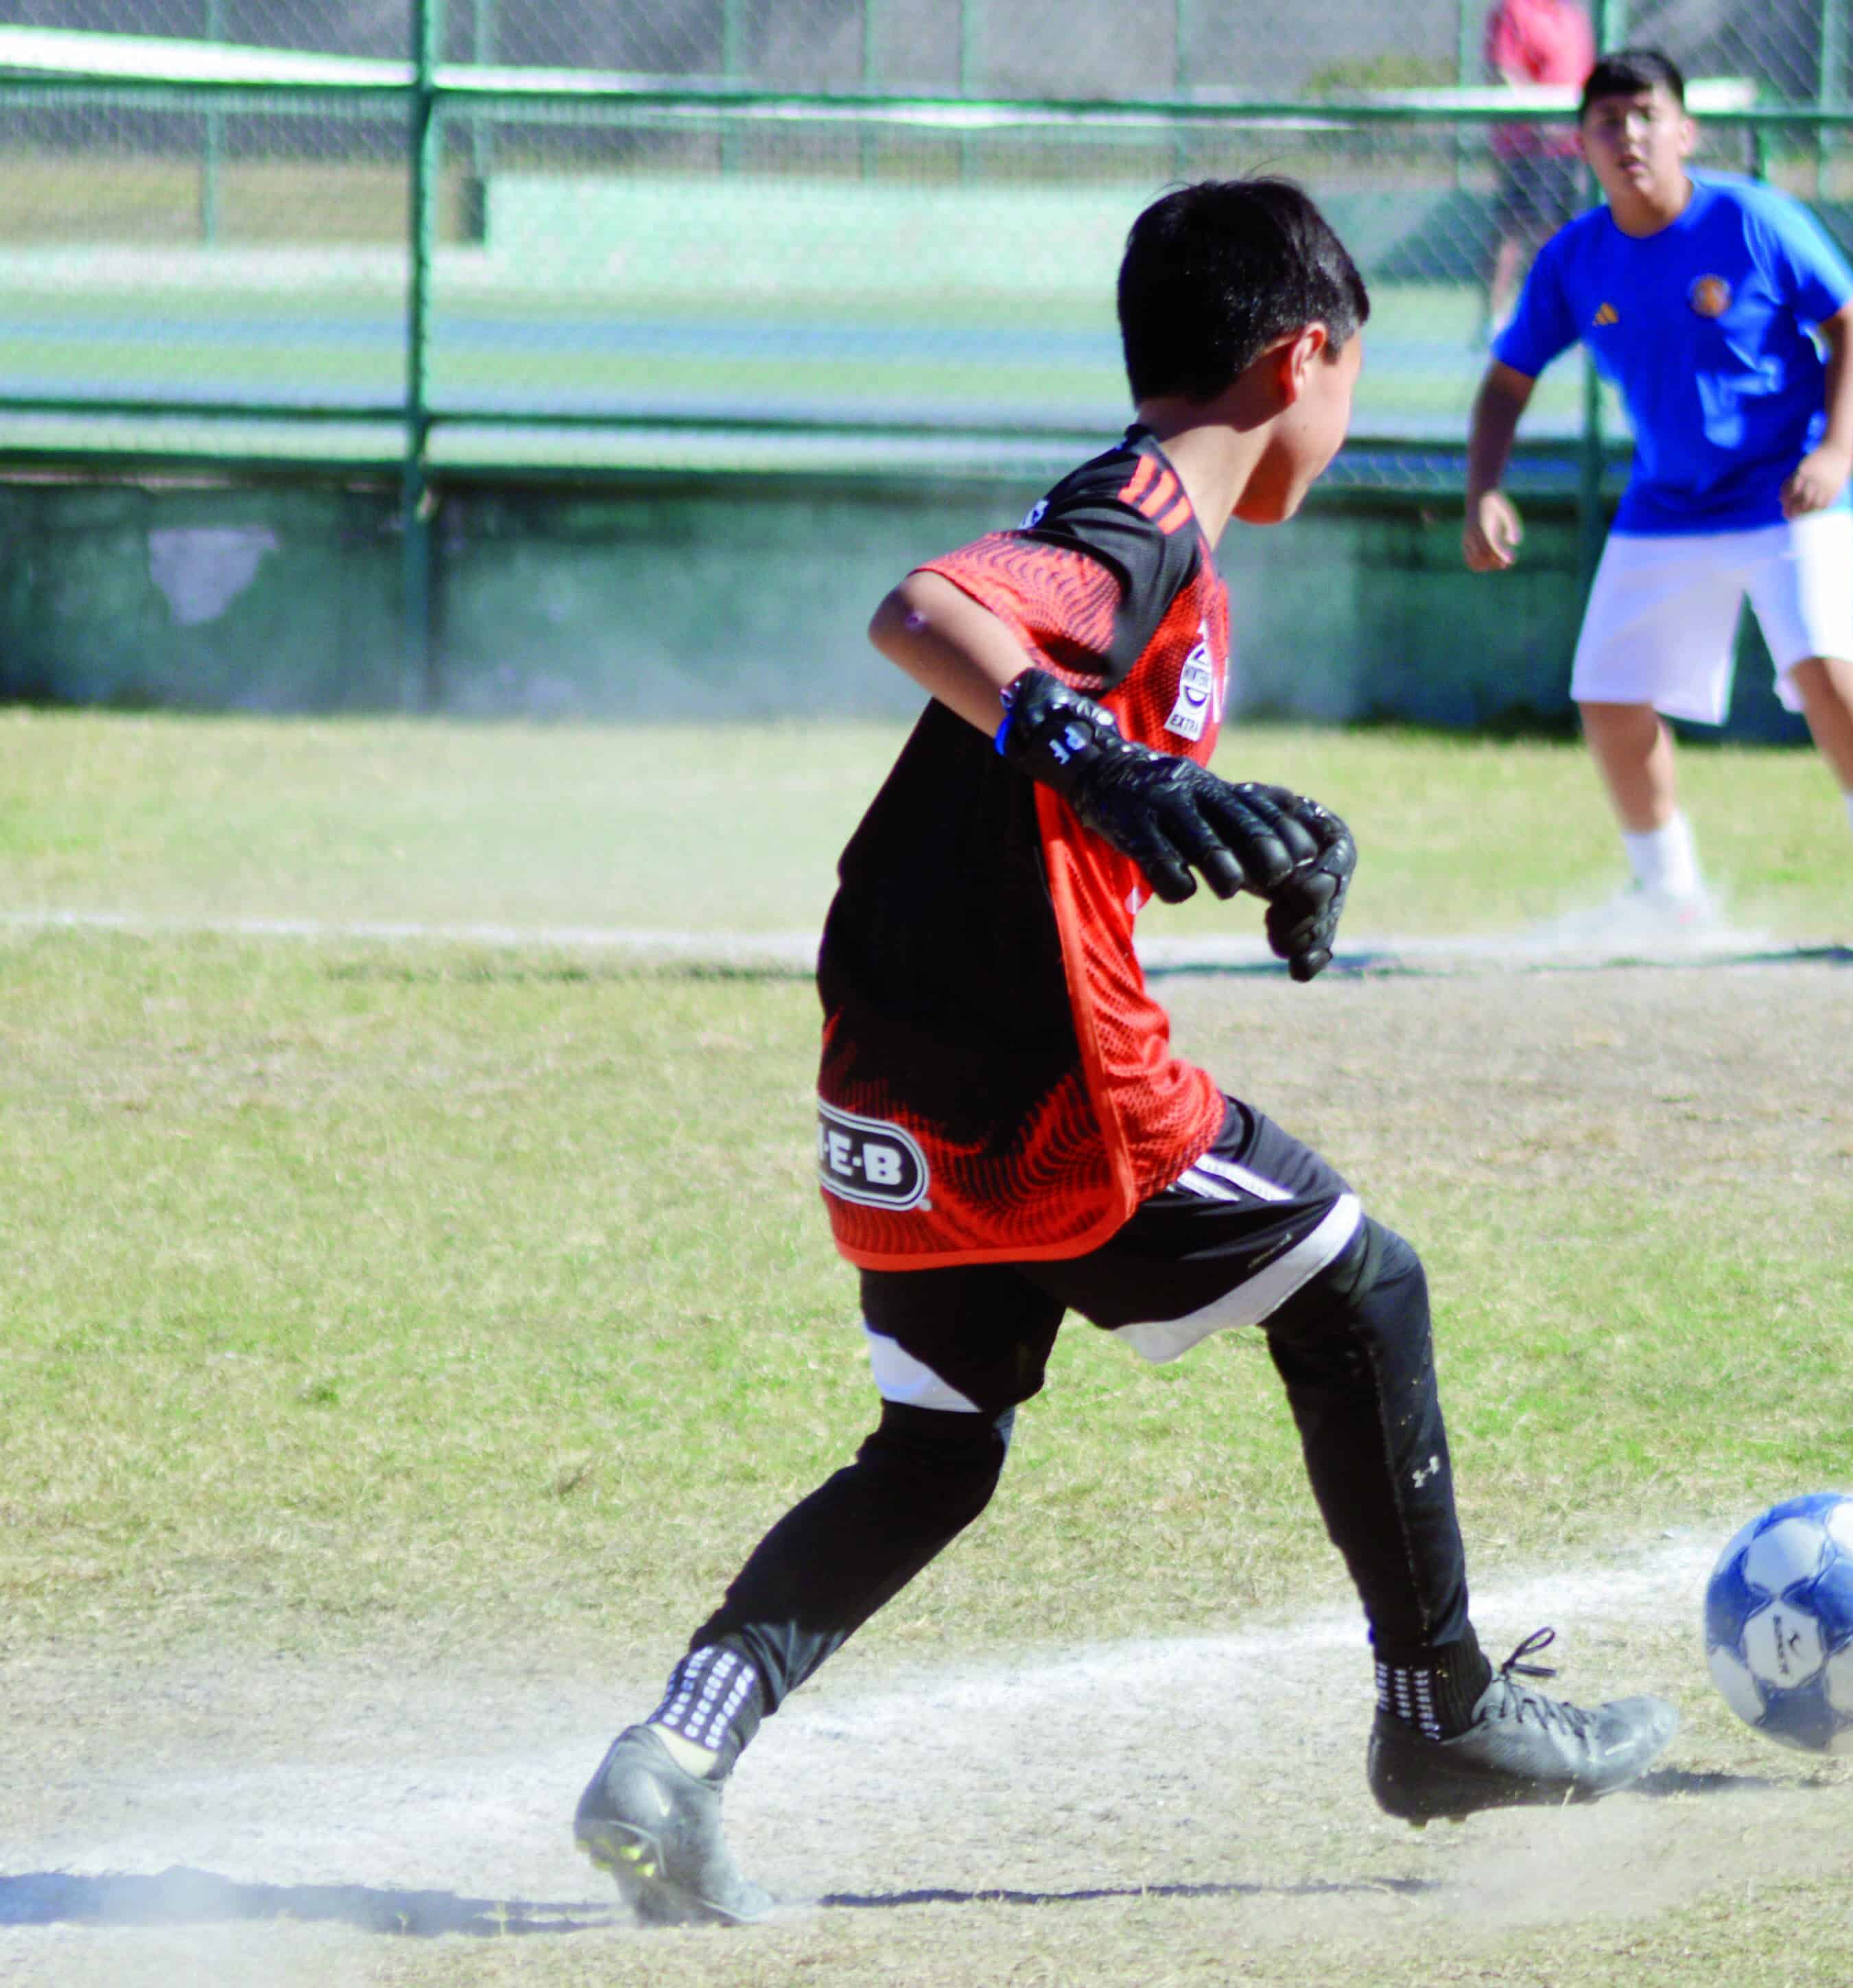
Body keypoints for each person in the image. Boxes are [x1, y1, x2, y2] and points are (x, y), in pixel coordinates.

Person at [570, 178, 1678, 1928]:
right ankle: (1443, 1707)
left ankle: (674, 1750)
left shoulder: (1163, 549)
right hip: (1050, 1096)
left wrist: (1246, 830)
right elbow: (925, 608)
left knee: (933, 1450)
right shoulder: (1141, 505)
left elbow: (1069, 771)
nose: (1353, 410)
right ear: (1302, 352)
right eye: (1355, 373)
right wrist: (1099, 755)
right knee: (1363, 1289)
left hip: (899, 1068)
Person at [1463, 47, 1853, 942]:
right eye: (1607, 122)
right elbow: (1506, 380)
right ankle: (1668, 894)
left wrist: (1836, 450)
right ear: (1582, 146)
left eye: (1647, 116)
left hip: (1789, 492)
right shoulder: (1575, 259)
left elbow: (1850, 323)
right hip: (1668, 501)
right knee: (1608, 693)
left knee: (1823, 665)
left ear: (1685, 130)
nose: (1629, 136)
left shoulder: (1755, 222)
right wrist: (1483, 491)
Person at [1483, 0, 1596, 336]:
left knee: (1560, 231)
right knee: (1515, 229)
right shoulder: (1514, 10)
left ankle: (1555, 314)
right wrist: (1540, 117)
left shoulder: (1572, 18)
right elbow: (1504, 70)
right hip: (1527, 144)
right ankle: (1495, 319)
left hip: (1568, 145)